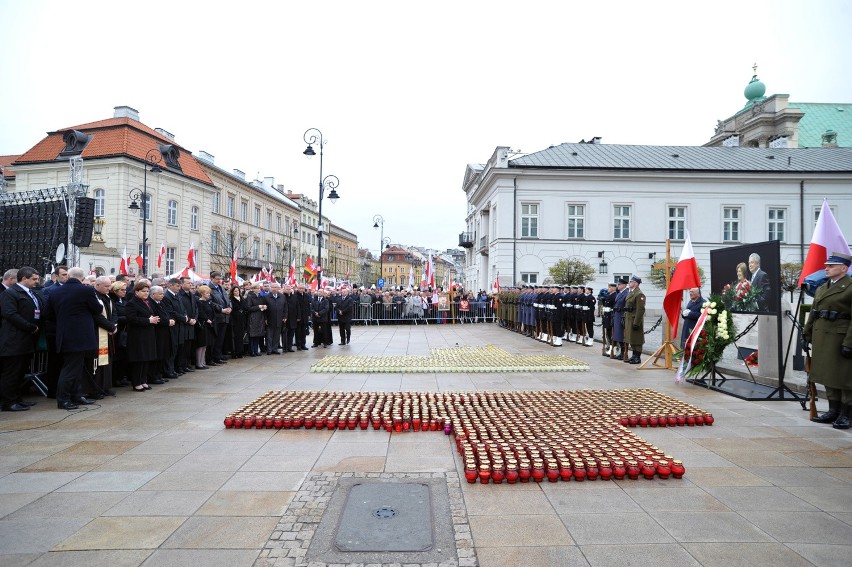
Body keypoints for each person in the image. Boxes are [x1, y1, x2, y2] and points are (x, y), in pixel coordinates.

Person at [803, 252, 852, 429]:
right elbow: (814, 314)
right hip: (822, 336)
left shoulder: (850, 286)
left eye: (831, 266)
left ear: (844, 268)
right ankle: (833, 410)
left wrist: (849, 343)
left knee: (844, 377)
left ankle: (846, 414)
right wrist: (806, 334)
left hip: (840, 337)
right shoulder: (823, 288)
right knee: (827, 374)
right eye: (827, 265)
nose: (826, 268)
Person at [43, 267, 103, 409]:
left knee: (76, 367)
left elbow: (47, 314)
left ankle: (76, 395)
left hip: (64, 335)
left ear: (68, 276)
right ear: (82, 278)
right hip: (81, 335)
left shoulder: (56, 291)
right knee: (70, 369)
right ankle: (63, 399)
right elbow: (97, 309)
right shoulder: (86, 290)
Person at [0, 267, 42, 412]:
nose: (37, 282)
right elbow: (10, 314)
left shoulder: (30, 293)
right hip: (14, 339)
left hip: (26, 340)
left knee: (20, 372)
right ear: (24, 278)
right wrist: (30, 327)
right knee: (11, 373)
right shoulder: (10, 293)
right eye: (34, 279)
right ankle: (8, 402)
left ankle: (17, 398)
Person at [84, 276, 119, 399]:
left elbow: (114, 313)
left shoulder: (108, 298)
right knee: (96, 364)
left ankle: (105, 386)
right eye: (106, 286)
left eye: (109, 286)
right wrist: (110, 327)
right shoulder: (93, 297)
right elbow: (96, 316)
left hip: (108, 333)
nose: (109, 288)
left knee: (107, 362)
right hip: (97, 334)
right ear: (97, 285)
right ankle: (94, 389)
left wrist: (114, 325)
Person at [124, 282, 159, 391]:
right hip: (137, 336)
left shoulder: (146, 302)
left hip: (147, 334)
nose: (146, 293)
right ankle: (136, 382)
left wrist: (153, 319)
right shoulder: (132, 303)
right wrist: (148, 320)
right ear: (136, 292)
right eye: (143, 291)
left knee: (146, 359)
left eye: (147, 291)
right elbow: (131, 319)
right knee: (139, 359)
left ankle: (143, 380)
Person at [207, 272, 232, 364]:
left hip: (225, 317)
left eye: (219, 279)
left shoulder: (221, 287)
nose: (219, 280)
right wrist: (221, 310)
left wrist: (230, 307)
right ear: (212, 278)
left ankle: (218, 355)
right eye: (217, 279)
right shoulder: (209, 288)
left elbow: (227, 299)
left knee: (221, 338)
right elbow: (211, 302)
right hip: (217, 317)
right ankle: (213, 357)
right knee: (215, 338)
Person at [623, 275, 646, 364]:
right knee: (631, 338)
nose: (629, 283)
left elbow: (640, 310)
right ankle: (633, 355)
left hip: (635, 320)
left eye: (631, 282)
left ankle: (637, 357)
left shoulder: (639, 294)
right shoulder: (631, 292)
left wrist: (636, 322)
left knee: (637, 339)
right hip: (629, 318)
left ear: (636, 283)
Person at [194, 285, 216, 368]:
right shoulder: (200, 302)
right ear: (202, 293)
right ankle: (198, 363)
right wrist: (207, 319)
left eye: (209, 293)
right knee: (201, 345)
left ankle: (203, 362)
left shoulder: (208, 302)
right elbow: (200, 313)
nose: (209, 295)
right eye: (207, 293)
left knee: (205, 345)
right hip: (202, 325)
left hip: (208, 325)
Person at [263, 283, 287, 355]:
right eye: (273, 287)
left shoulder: (282, 297)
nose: (274, 289)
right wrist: (265, 318)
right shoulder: (266, 297)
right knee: (269, 336)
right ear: (270, 288)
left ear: (278, 288)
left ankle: (275, 349)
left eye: (276, 287)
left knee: (277, 335)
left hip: (279, 319)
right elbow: (264, 310)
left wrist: (285, 317)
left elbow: (285, 308)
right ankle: (269, 350)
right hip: (270, 319)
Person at [244, 283, 267, 356]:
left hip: (260, 317)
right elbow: (248, 308)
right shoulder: (250, 296)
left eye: (259, 288)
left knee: (258, 335)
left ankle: (256, 350)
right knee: (252, 335)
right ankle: (252, 351)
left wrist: (263, 307)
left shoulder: (260, 296)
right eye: (257, 288)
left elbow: (262, 305)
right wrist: (258, 306)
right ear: (253, 289)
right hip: (253, 317)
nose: (259, 289)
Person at [229, 285, 247, 357]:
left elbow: (245, 307)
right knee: (235, 336)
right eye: (235, 291)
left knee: (241, 336)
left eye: (238, 291)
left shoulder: (242, 299)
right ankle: (235, 352)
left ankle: (240, 351)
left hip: (242, 319)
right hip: (235, 319)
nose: (237, 292)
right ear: (232, 292)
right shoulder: (231, 299)